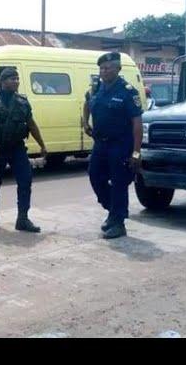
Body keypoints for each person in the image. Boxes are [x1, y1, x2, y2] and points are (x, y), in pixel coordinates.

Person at [0, 68, 47, 232]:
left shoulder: (23, 102)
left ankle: (23, 219)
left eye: (17, 79)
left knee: (25, 181)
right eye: (12, 79)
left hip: (17, 148)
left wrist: (42, 144)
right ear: (3, 82)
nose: (16, 81)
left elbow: (31, 125)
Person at [83, 52, 143, 239]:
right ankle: (113, 211)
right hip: (100, 144)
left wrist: (136, 152)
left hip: (120, 145)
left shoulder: (128, 91)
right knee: (95, 177)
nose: (104, 71)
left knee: (119, 183)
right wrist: (85, 122)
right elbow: (87, 104)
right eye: (101, 68)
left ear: (118, 69)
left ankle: (118, 222)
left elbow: (137, 123)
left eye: (108, 68)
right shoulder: (96, 88)